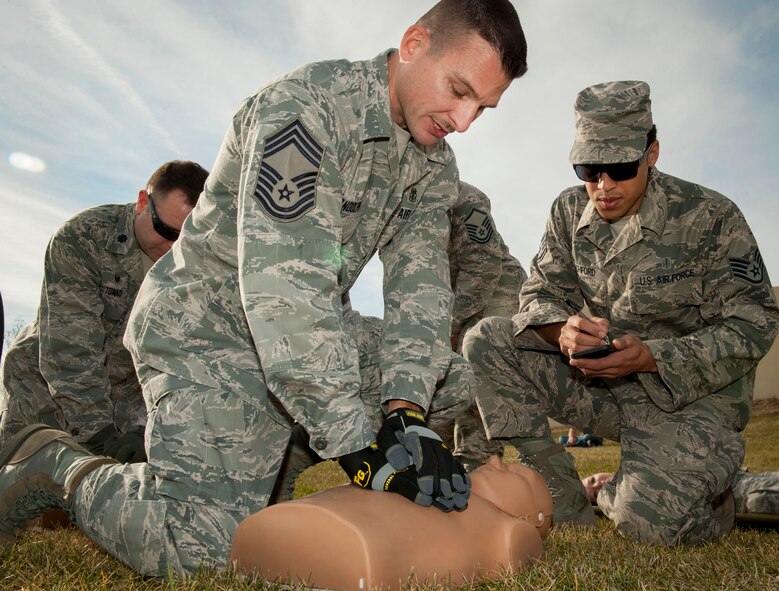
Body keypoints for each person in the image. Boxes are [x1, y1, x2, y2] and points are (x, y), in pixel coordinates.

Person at [0, 0, 528, 578]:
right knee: (200, 554)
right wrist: (357, 449)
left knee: (452, 377)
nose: (464, 119)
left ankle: (277, 464)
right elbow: (285, 292)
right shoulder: (306, 110)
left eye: (484, 106)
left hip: (305, 333)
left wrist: (404, 415)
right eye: (458, 90)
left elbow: (420, 292)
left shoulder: (434, 168)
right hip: (210, 331)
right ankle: (55, 463)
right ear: (413, 44)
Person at [463, 80, 779, 544]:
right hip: (605, 389)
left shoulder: (709, 217)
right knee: (487, 340)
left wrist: (653, 357)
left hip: (691, 402)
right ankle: (564, 496)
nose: (603, 185)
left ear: (651, 153)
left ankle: (708, 491)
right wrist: (562, 332)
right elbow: (539, 292)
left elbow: (756, 322)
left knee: (648, 525)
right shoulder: (569, 211)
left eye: (620, 168)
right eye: (589, 168)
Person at [271, 181, 527, 501]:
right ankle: (423, 455)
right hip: (434, 302)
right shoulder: (382, 200)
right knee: (423, 378)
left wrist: (450, 323)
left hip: (493, 294)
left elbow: (484, 265)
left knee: (476, 367)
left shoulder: (464, 197)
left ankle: (478, 460)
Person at [0, 160, 208, 461]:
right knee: (24, 495)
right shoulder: (84, 238)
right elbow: (70, 350)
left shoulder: (193, 267)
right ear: (141, 202)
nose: (172, 247)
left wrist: (146, 426)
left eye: (185, 239)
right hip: (44, 394)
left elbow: (179, 357)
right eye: (165, 229)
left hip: (125, 406)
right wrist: (98, 438)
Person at [231, 456, 552, 591]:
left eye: (517, 473)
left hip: (361, 547)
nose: (495, 461)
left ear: (530, 518)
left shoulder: (509, 529)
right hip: (326, 520)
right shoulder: (437, 478)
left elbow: (518, 549)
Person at [583, 469, 779, 517]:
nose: (598, 484)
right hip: (734, 499)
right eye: (595, 493)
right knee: (763, 500)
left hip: (737, 477)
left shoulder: (634, 466)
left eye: (593, 479)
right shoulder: (628, 501)